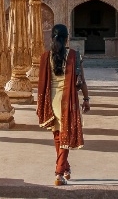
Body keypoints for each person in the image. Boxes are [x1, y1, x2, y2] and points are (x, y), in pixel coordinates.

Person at [36, 24, 90, 186]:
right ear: (67, 38)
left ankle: (65, 169)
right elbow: (81, 82)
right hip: (66, 101)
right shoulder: (74, 56)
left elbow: (42, 82)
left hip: (50, 100)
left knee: (58, 136)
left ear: (52, 38)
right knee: (64, 136)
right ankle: (59, 174)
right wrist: (86, 99)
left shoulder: (46, 56)